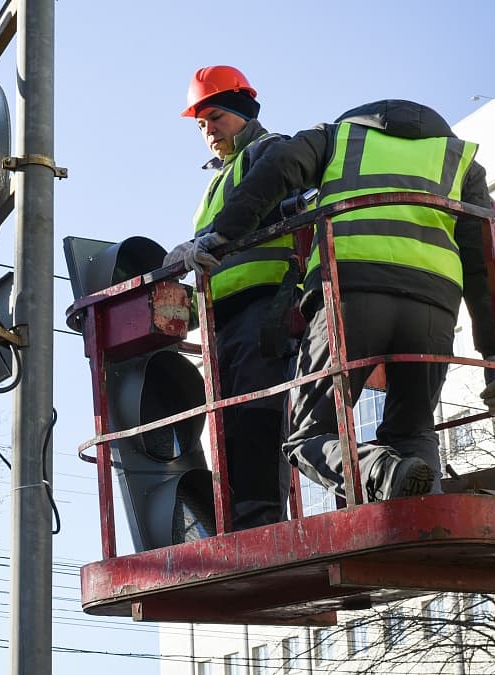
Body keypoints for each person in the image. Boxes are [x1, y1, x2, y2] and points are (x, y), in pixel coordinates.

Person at [170, 98, 495, 502]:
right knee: (414, 430)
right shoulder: (459, 158)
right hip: (434, 306)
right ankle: (424, 514)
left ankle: (381, 471)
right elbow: (485, 265)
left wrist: (221, 234)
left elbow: (277, 169)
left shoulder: (336, 136)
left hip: (350, 290)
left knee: (307, 437)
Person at [163, 65, 296, 529]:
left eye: (216, 117)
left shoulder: (270, 151)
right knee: (232, 421)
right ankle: (240, 520)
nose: (209, 131)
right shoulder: (218, 180)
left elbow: (259, 209)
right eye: (201, 125)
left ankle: (259, 521)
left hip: (266, 305)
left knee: (259, 413)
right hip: (226, 315)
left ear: (243, 111)